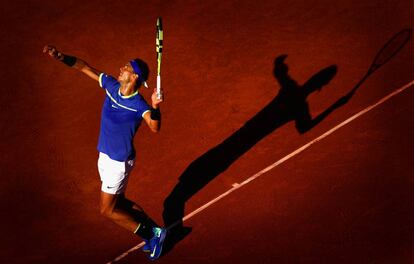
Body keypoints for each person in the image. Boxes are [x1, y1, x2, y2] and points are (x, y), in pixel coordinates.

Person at [43, 45, 167, 260]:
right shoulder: (110, 85)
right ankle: (155, 231)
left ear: (135, 76)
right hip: (105, 156)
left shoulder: (139, 104)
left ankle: (152, 235)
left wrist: (155, 106)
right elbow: (84, 67)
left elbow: (154, 127)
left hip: (118, 163)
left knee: (107, 210)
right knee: (119, 202)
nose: (121, 68)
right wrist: (61, 57)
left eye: (126, 67)